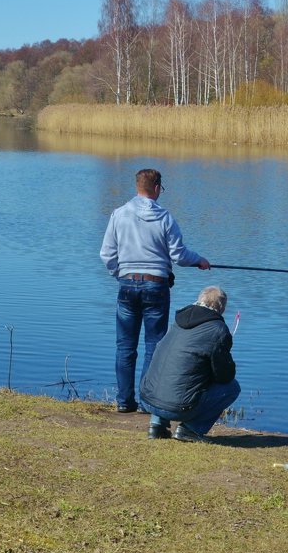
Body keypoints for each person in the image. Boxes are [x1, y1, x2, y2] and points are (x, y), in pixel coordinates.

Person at [100, 168, 210, 413]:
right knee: (154, 346)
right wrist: (199, 260)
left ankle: (123, 402)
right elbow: (179, 256)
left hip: (127, 286)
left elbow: (106, 254)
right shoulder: (166, 218)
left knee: (125, 346)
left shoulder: (119, 214)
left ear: (137, 186)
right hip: (156, 287)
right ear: (158, 188)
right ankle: (147, 403)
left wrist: (120, 274)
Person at [140, 285, 240, 442]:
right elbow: (224, 377)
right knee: (232, 388)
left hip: (148, 400)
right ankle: (191, 429)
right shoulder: (218, 329)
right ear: (222, 308)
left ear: (200, 300)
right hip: (178, 408)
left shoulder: (177, 322)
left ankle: (156, 425)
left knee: (171, 373)